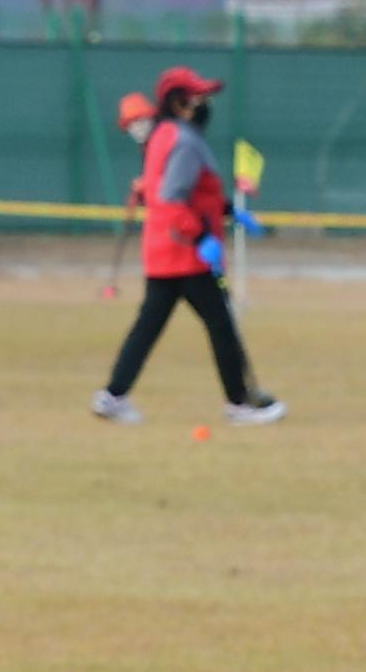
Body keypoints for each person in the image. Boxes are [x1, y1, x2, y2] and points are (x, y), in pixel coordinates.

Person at [92, 67, 283, 428]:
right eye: (199, 99)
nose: (205, 105)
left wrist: (230, 212)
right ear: (179, 104)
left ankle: (112, 396)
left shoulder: (166, 136)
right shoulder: (185, 141)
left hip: (164, 253)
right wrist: (202, 240)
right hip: (187, 255)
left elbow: (191, 196)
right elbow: (173, 199)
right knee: (221, 326)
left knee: (148, 327)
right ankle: (240, 404)